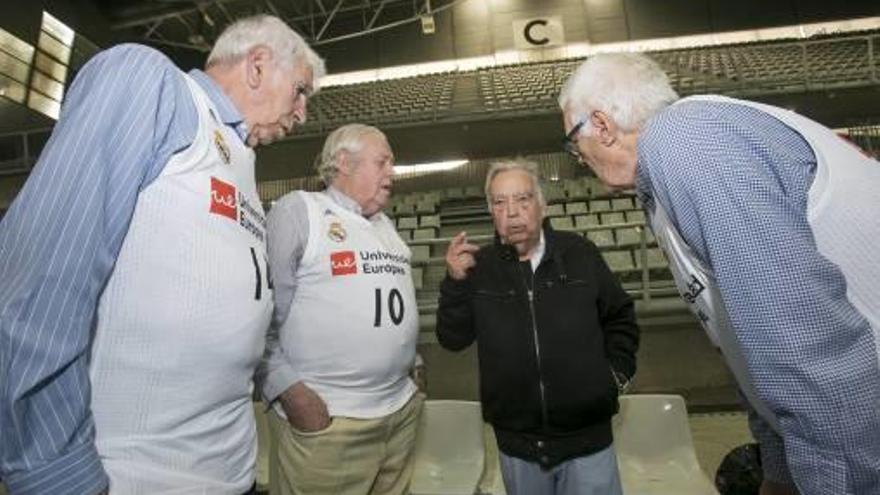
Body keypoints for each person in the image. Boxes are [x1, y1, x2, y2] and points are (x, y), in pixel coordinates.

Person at [0, 15, 324, 495]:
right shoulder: (150, 82)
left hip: (229, 472)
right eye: (300, 91)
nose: (302, 113)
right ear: (257, 66)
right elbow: (38, 286)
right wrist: (55, 473)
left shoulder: (240, 158)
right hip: (133, 476)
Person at [558, 52, 880, 495]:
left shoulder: (686, 140)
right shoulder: (680, 160)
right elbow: (746, 340)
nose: (580, 157)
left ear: (603, 125)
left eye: (576, 143)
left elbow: (804, 343)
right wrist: (781, 473)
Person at [436, 159, 639, 495]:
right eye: (500, 203)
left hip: (589, 440)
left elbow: (621, 317)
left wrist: (615, 376)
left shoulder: (580, 253)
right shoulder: (479, 268)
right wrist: (455, 283)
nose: (512, 212)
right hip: (518, 445)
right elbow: (452, 339)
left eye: (523, 199)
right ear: (491, 212)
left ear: (542, 205)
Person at [257, 123, 422, 495]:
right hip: (329, 422)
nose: (391, 173)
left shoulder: (385, 225)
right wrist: (289, 392)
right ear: (344, 163)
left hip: (398, 415)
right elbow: (259, 316)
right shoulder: (300, 211)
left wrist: (417, 368)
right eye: (382, 162)